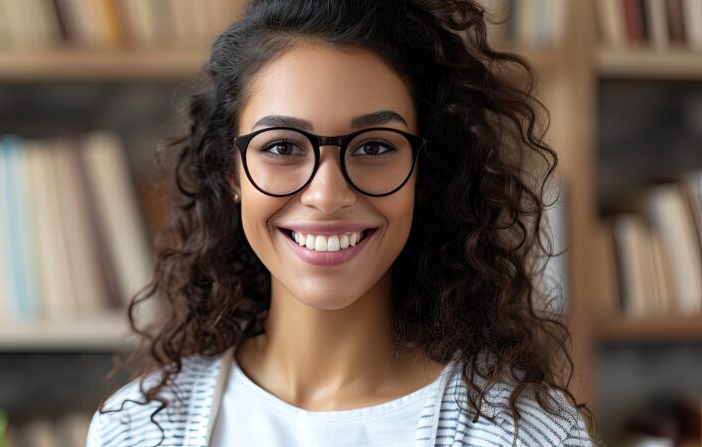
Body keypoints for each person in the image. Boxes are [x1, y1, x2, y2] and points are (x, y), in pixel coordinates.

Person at [87, 1, 595, 445]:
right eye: (282, 147)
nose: (327, 196)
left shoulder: (523, 436)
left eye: (375, 146)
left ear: (424, 173)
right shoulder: (138, 429)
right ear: (232, 172)